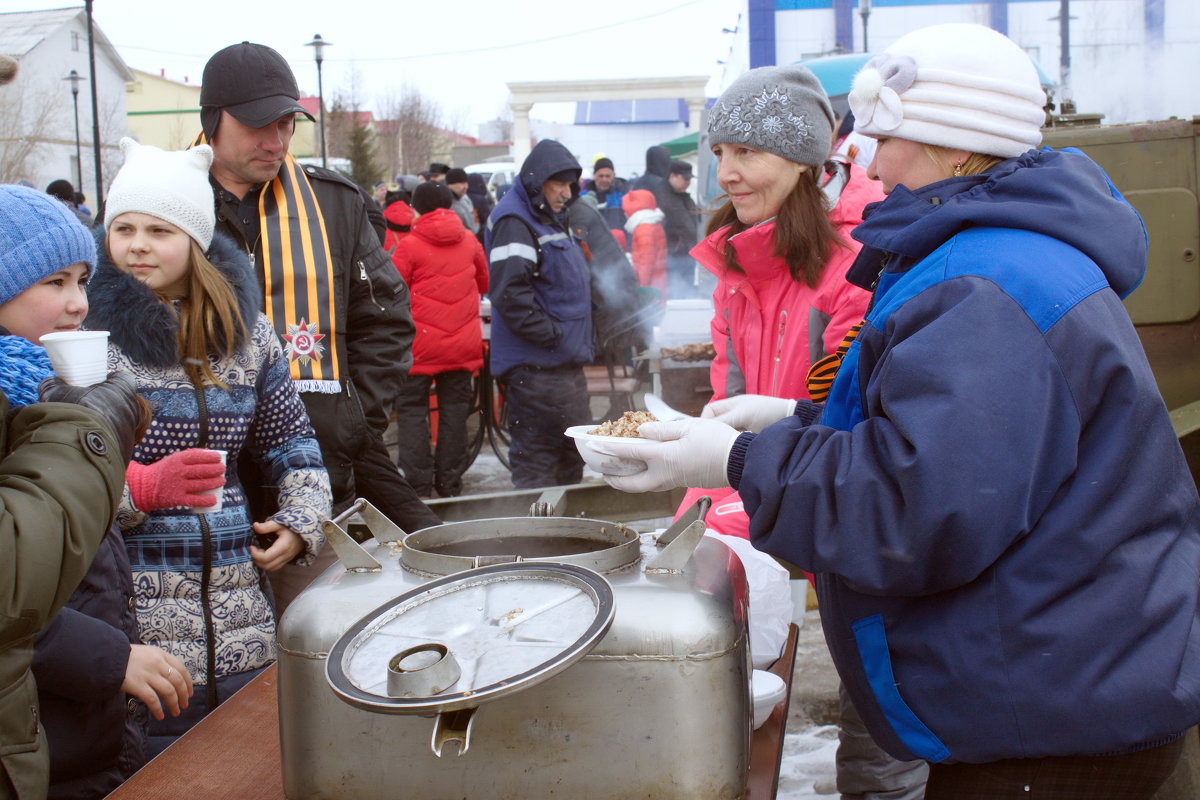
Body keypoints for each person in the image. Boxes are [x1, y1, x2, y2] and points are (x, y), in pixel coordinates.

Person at [594, 23, 1200, 798]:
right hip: (1068, 681)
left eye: (886, 139)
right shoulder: (1000, 255)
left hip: (1051, 725)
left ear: (956, 147)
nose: (871, 163)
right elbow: (936, 442)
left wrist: (734, 461)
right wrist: (792, 422)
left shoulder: (982, 283)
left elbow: (917, 505)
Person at [84, 138, 332, 755]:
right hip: (134, 621)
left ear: (194, 239)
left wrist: (303, 523)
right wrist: (140, 489)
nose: (138, 244)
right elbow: (60, 485)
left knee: (248, 765)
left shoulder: (248, 333)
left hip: (243, 614)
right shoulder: (88, 337)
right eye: (124, 228)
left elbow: (292, 440)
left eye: (159, 230)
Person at [196, 42, 440, 612]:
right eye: (259, 126)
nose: (276, 142)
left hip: (320, 455)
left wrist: (354, 419)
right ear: (213, 121)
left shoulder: (333, 203)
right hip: (205, 475)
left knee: (321, 631)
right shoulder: (162, 206)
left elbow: (384, 320)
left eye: (286, 126)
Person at [0, 184, 145, 800]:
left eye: (83, 280)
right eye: (54, 283)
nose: (78, 304)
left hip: (78, 725)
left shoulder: (41, 387)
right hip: (38, 736)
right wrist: (106, 657)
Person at [484, 139, 594, 488]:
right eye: (557, 184)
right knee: (538, 465)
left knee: (570, 457)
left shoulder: (550, 218)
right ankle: (538, 540)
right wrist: (555, 336)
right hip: (535, 373)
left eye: (569, 185)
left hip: (562, 369)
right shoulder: (515, 220)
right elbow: (510, 294)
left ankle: (572, 539)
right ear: (537, 182)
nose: (565, 192)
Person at [391, 182, 488, 498]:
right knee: (456, 411)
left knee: (411, 409)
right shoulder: (470, 241)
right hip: (462, 343)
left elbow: (393, 292)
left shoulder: (409, 245)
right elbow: (485, 281)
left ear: (418, 208)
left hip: (420, 345)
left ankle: (418, 483)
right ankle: (449, 481)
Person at [654, 160, 702, 298]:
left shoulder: (681, 195)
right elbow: (681, 222)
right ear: (673, 176)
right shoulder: (663, 195)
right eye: (685, 179)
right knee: (676, 291)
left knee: (685, 289)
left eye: (689, 179)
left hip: (686, 252)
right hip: (674, 253)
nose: (688, 183)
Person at [620, 188, 667, 298]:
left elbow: (646, 262)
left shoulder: (643, 229)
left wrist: (642, 289)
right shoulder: (652, 224)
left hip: (651, 289)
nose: (624, 213)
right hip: (657, 283)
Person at [581, 156, 627, 232]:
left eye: (607, 176)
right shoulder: (583, 197)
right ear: (594, 176)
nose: (604, 179)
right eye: (601, 176)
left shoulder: (622, 196)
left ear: (614, 176)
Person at [444, 167, 480, 235]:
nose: (466, 187)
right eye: (462, 183)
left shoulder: (466, 198)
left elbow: (475, 214)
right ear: (450, 185)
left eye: (466, 183)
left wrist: (477, 224)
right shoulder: (446, 203)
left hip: (473, 236)